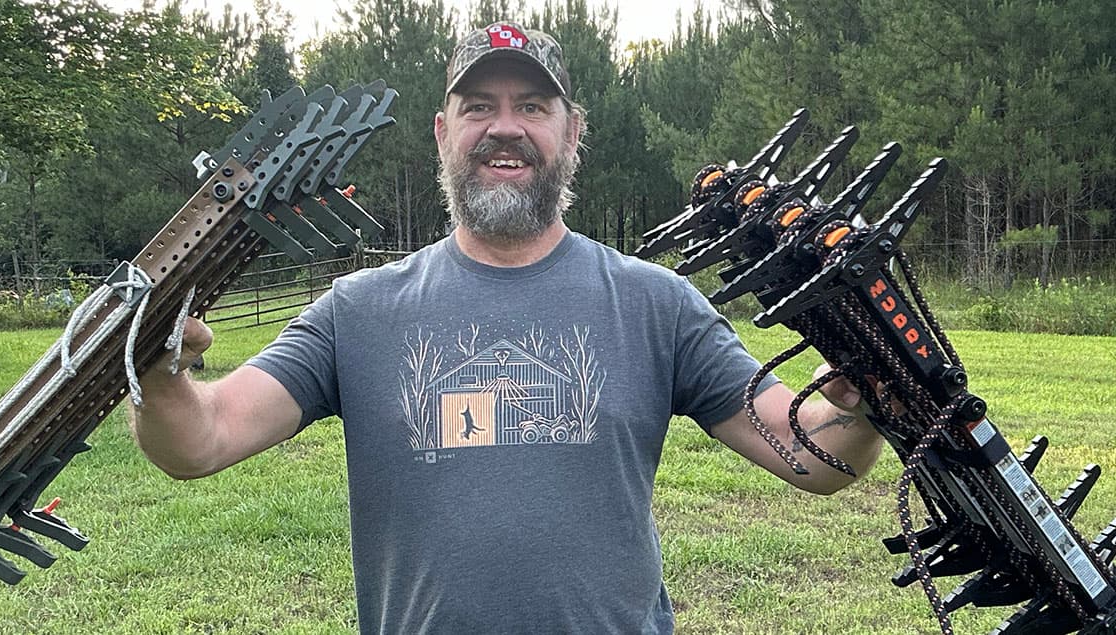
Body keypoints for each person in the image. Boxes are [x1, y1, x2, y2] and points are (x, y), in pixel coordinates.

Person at [131, 21, 884, 634]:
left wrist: (860, 401)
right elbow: (201, 441)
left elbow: (810, 455)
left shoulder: (656, 305)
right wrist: (159, 372)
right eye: (479, 106)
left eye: (532, 105)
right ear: (441, 131)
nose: (505, 128)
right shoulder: (358, 311)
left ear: (571, 129)